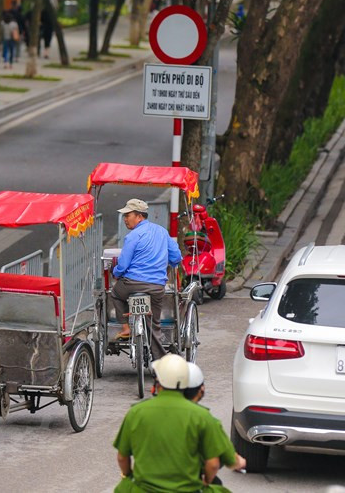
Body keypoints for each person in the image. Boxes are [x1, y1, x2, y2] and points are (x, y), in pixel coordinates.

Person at [113, 354, 244, 493]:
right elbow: (213, 464)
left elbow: (122, 456)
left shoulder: (136, 412)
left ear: (158, 381)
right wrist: (206, 482)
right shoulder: (202, 417)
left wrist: (128, 476)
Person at [110, 199, 182, 361]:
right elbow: (176, 257)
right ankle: (160, 363)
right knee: (154, 325)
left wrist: (116, 272)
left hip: (131, 285)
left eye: (128, 215)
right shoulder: (162, 232)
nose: (125, 219)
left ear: (139, 217)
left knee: (115, 293)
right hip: (156, 287)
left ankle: (126, 327)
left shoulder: (133, 236)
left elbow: (123, 265)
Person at [184, 363, 246, 487]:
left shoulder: (142, 413)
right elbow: (218, 463)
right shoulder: (205, 419)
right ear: (201, 389)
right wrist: (206, 481)